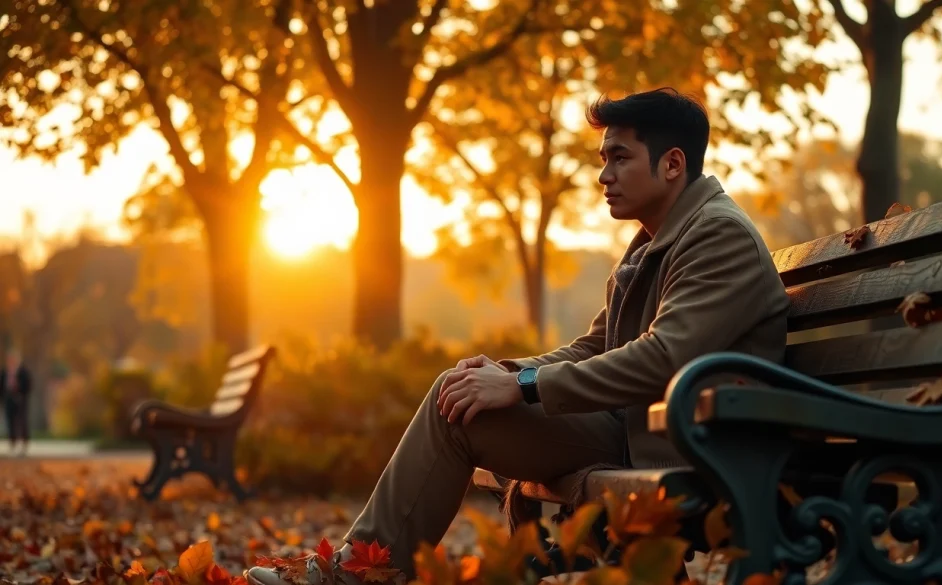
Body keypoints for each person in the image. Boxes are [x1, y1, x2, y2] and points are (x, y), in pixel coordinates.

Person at [244, 87, 791, 585]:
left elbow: (665, 357)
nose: (603, 176)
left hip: (696, 447)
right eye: (603, 159)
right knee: (458, 398)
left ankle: (356, 575)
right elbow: (595, 346)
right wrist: (507, 373)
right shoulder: (655, 240)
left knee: (459, 404)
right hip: (640, 429)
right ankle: (364, 568)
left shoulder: (717, 235)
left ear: (673, 164)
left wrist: (527, 385)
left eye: (619, 158)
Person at [1, 347, 32, 457]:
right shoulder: (5, 371)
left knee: (22, 422)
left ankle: (24, 445)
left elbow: (28, 385)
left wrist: (21, 393)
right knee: (10, 422)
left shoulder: (23, 371)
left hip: (20, 399)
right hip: (9, 399)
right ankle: (12, 444)